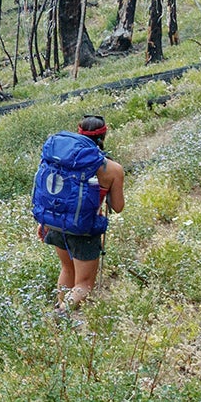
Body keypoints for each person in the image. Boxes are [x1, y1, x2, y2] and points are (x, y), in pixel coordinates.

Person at [37, 114, 124, 310]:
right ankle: (60, 314)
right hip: (84, 228)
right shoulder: (112, 169)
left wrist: (42, 222)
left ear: (79, 132)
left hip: (56, 223)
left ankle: (60, 311)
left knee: (67, 269)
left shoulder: (62, 160)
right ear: (104, 135)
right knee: (84, 284)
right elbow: (117, 207)